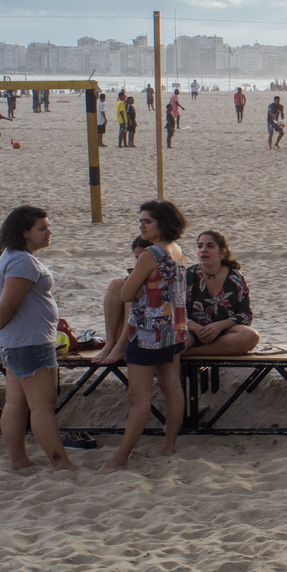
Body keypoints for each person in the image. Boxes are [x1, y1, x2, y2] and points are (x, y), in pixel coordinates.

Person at [0, 206, 78, 472]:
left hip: (17, 341)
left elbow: (4, 303)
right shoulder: (22, 261)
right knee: (42, 407)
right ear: (24, 232)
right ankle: (61, 464)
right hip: (29, 343)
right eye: (42, 228)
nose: (49, 232)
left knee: (16, 404)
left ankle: (19, 461)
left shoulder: (9, 256)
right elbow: (8, 304)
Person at [105, 200, 189, 472]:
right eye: (140, 221)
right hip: (174, 328)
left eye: (147, 221)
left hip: (148, 332)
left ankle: (120, 459)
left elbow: (125, 294)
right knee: (172, 387)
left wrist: (140, 289)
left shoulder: (150, 254)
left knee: (138, 398)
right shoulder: (178, 250)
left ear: (162, 223)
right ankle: (168, 445)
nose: (141, 226)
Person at [182, 230, 260, 356]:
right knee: (176, 342)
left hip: (225, 333)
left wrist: (220, 326)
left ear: (222, 252)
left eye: (210, 246)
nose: (203, 250)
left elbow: (245, 314)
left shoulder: (235, 277)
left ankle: (192, 353)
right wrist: (196, 328)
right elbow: (177, 312)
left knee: (251, 336)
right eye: (200, 246)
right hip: (193, 331)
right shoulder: (188, 275)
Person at [93, 235, 153, 365]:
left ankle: (121, 345)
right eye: (136, 258)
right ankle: (110, 343)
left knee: (131, 290)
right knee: (116, 283)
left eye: (141, 258)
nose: (138, 262)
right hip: (127, 330)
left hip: (148, 331)